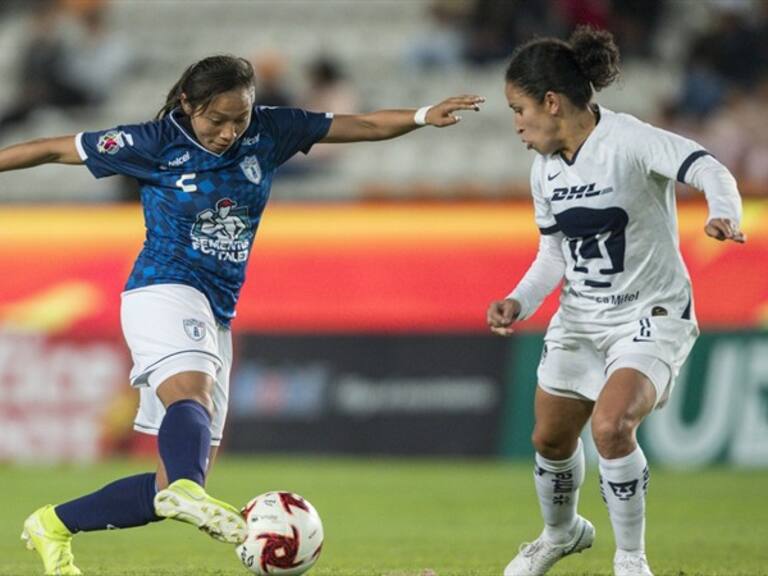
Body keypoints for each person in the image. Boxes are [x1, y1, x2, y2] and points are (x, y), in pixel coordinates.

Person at [0, 54, 484, 575]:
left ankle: (52, 524)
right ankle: (187, 491)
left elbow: (360, 125)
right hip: (161, 288)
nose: (230, 131)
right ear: (187, 104)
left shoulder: (270, 131)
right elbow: (53, 147)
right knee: (192, 394)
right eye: (217, 119)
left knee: (172, 483)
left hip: (217, 310)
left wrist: (420, 115)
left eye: (240, 118)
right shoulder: (151, 142)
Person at [486, 27, 745, 576]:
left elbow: (707, 166)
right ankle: (562, 533)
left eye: (518, 109)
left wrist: (724, 211)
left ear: (551, 102)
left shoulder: (629, 140)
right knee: (550, 439)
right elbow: (554, 253)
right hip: (580, 318)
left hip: (650, 314)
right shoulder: (546, 169)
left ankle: (632, 559)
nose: (516, 125)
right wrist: (519, 299)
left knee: (610, 427)